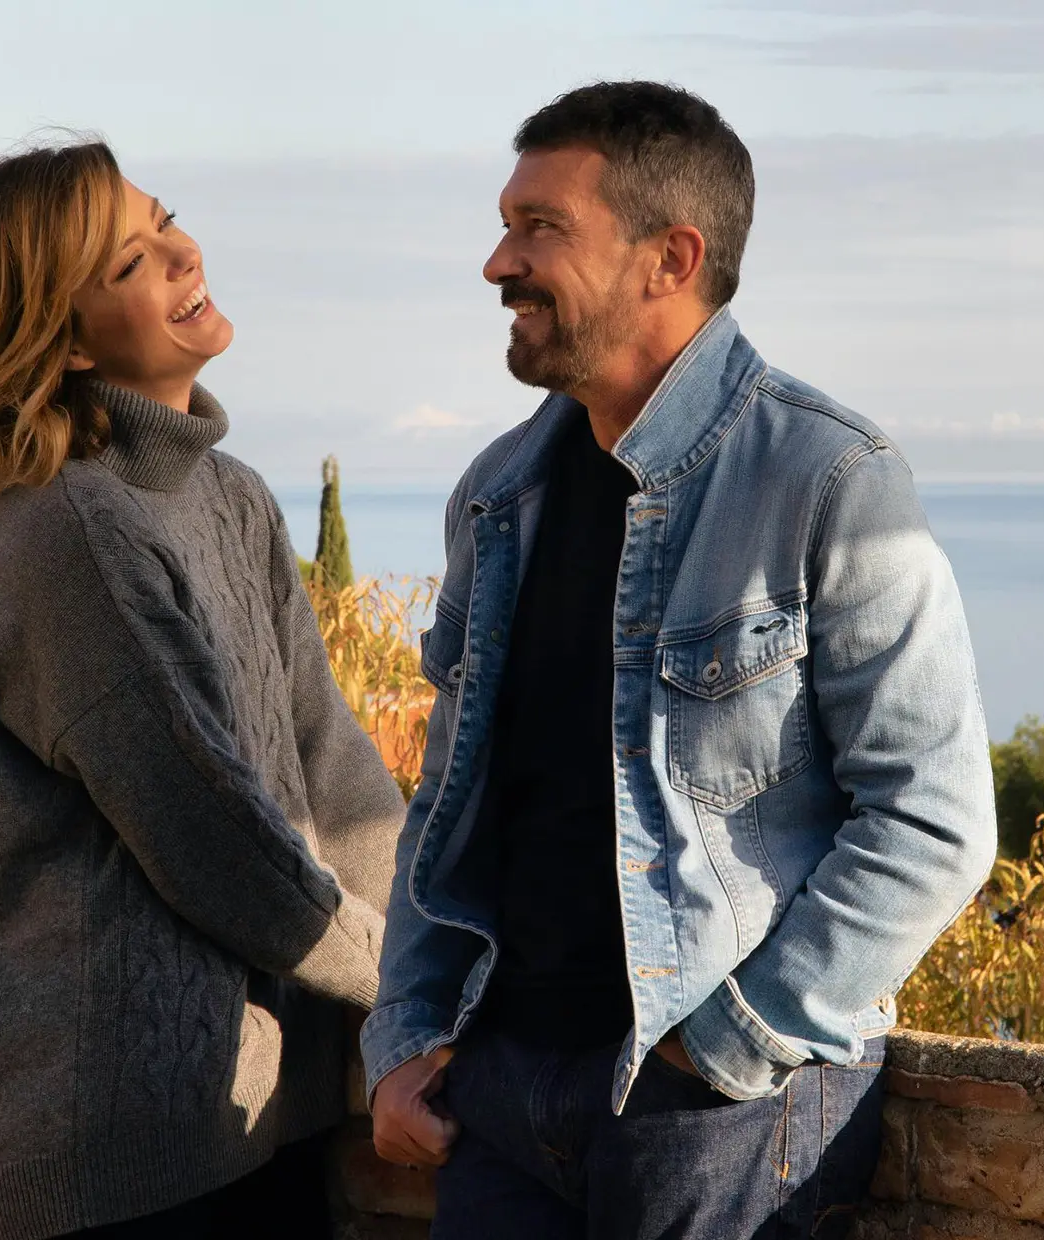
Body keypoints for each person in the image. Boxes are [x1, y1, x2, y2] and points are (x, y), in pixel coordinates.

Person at [363, 81, 997, 1240]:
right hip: (501, 1099)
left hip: (716, 1114)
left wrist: (724, 1048)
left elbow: (932, 820)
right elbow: (446, 802)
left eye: (539, 226)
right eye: (506, 222)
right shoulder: (497, 496)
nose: (497, 262)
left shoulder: (830, 481)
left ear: (671, 256)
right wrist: (403, 1039)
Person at [0, 141, 406, 1239]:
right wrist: (414, 983)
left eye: (166, 221)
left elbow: (333, 772)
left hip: (257, 1116)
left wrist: (441, 948)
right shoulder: (70, 530)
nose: (186, 252)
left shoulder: (228, 495)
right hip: (123, 1151)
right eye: (132, 261)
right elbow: (220, 840)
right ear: (59, 339)